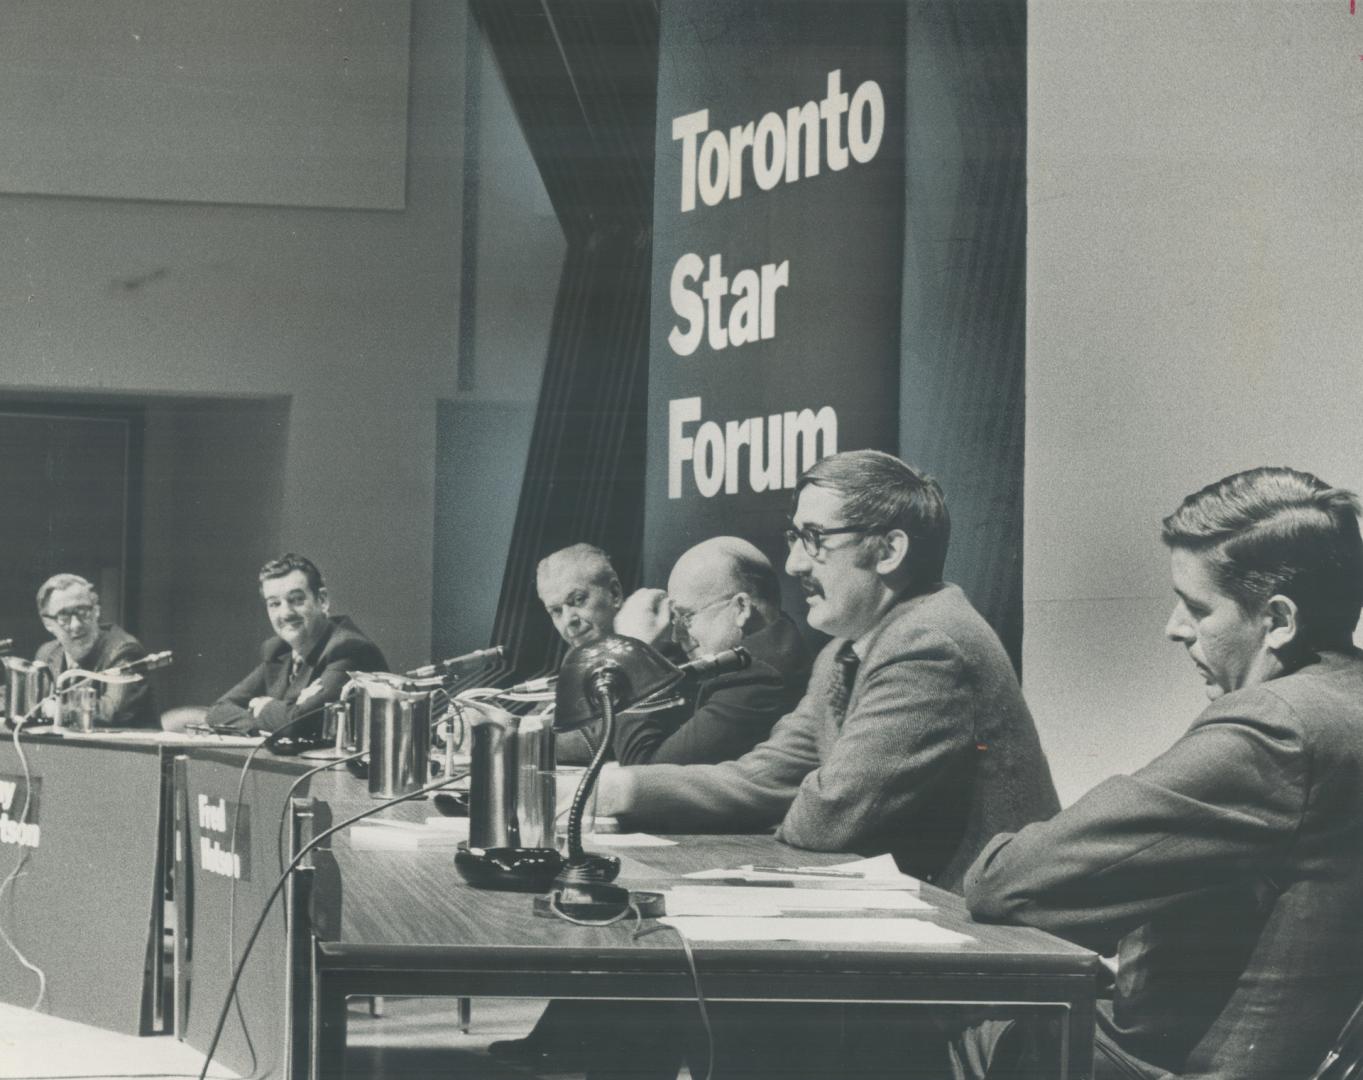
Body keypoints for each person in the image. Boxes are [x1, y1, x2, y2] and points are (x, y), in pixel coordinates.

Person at [962, 466, 1363, 1080]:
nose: (1173, 628)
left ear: (1279, 620)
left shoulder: (1276, 726)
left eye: (1197, 607)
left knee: (950, 1025)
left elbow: (1007, 884)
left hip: (1177, 1068)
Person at [599, 450, 1058, 890]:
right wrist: (618, 789)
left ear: (889, 551)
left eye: (815, 539)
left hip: (993, 937)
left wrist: (789, 801)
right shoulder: (846, 650)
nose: (795, 563)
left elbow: (828, 818)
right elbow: (761, 777)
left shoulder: (929, 645)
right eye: (794, 538)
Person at [610, 536, 812, 765]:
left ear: (741, 608)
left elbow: (643, 769)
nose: (676, 636)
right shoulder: (763, 649)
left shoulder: (759, 677)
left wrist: (632, 656)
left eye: (686, 617)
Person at [204, 553, 387, 736]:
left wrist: (263, 706)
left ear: (322, 600)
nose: (285, 613)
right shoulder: (279, 652)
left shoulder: (348, 649)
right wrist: (266, 719)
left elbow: (297, 725)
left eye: (297, 599)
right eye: (274, 603)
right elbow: (218, 710)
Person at [534, 543, 625, 763]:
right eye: (556, 611)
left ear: (614, 593)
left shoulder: (651, 643)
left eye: (578, 600)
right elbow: (544, 715)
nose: (568, 621)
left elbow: (603, 740)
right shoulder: (577, 656)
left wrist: (505, 735)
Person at [32, 573, 158, 728]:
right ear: (47, 623)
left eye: (83, 611)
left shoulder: (123, 650)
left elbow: (112, 712)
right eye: (63, 616)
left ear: (96, 611)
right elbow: (31, 701)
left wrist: (59, 710)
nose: (76, 624)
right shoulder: (47, 653)